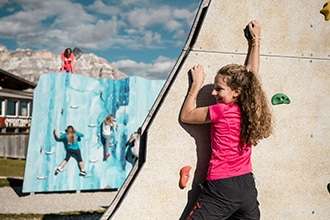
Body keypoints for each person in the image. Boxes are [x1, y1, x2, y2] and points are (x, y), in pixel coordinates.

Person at [180, 20, 273, 219]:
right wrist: (255, 41)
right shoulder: (248, 108)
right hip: (247, 187)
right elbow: (251, 75)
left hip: (221, 188)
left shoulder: (221, 111)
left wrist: (196, 86)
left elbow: (186, 115)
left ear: (237, 92)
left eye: (219, 89)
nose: (213, 92)